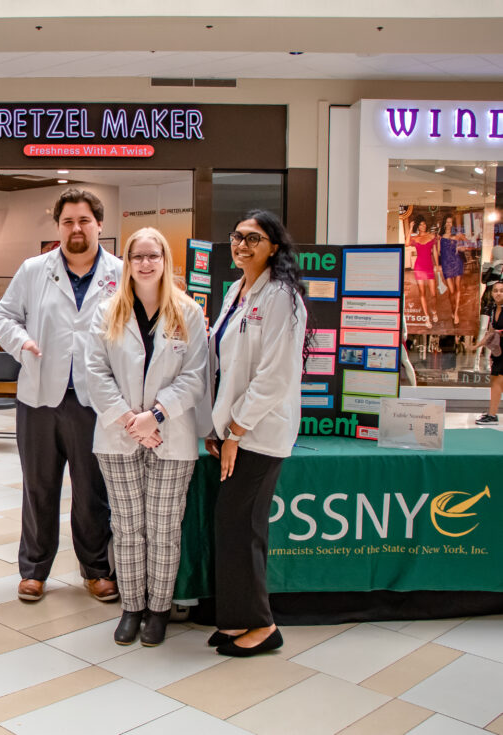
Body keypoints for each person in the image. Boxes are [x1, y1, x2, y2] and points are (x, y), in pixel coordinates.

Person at [0, 188, 122, 603]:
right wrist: (22, 342)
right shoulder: (34, 269)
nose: (76, 228)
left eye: (84, 220)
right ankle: (33, 570)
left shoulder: (120, 274)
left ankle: (96, 569)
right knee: (39, 488)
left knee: (92, 490)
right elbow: (3, 316)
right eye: (67, 222)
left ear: (99, 224)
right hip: (39, 399)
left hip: (94, 401)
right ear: (58, 227)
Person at [86, 227, 207, 646]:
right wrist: (129, 420)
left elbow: (195, 377)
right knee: (127, 527)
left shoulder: (188, 313)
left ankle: (158, 609)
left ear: (165, 260)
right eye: (137, 256)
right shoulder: (107, 311)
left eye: (153, 255)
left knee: (163, 528)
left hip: (170, 436)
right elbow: (94, 373)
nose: (145, 263)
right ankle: (131, 607)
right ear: (127, 262)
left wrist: (155, 416)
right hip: (119, 437)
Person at [203, 209, 308, 657]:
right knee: (230, 525)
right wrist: (217, 425)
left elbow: (275, 375)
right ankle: (234, 619)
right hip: (234, 428)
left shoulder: (282, 296)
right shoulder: (236, 289)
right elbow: (223, 364)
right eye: (237, 236)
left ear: (275, 248)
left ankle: (263, 626)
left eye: (254, 238)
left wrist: (236, 431)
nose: (242, 244)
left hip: (259, 432)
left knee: (244, 526)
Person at [475, 281, 503, 426]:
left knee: (497, 381)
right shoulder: (493, 309)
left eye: (501, 291)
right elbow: (491, 331)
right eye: (496, 291)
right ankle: (492, 413)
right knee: (495, 381)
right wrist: (476, 346)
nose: (498, 293)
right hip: (498, 351)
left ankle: (492, 415)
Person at [407, 215, 438, 327]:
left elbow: (434, 252)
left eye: (424, 224)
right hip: (419, 266)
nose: (423, 226)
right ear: (418, 226)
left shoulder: (431, 236)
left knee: (433, 293)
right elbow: (406, 243)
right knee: (422, 293)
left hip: (429, 266)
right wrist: (410, 228)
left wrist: (437, 265)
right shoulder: (415, 239)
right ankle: (426, 317)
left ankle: (434, 311)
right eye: (421, 224)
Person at [437, 215, 465, 326]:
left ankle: (456, 312)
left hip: (457, 262)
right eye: (447, 222)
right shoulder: (440, 237)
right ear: (445, 223)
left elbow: (470, 243)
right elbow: (439, 252)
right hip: (446, 264)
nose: (449, 224)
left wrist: (461, 247)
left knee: (458, 288)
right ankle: (453, 310)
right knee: (451, 290)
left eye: (450, 222)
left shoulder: (457, 235)